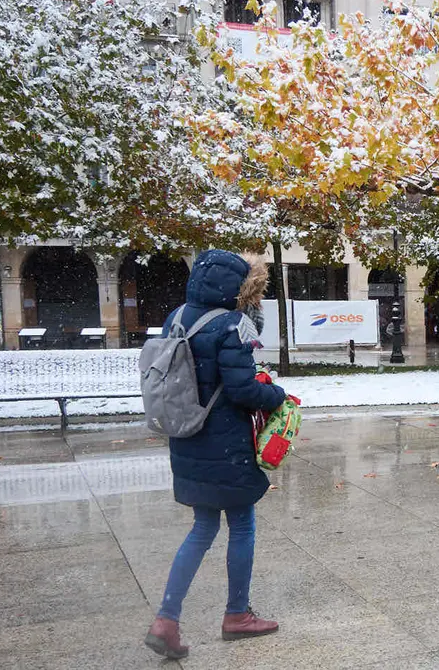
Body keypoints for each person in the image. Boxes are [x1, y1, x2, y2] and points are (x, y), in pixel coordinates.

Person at [145, 250, 287, 660]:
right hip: (225, 440)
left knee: (202, 528)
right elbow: (243, 390)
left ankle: (166, 619)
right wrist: (275, 394)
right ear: (239, 287)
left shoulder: (177, 317)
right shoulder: (231, 323)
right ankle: (237, 615)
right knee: (241, 525)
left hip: (186, 433)